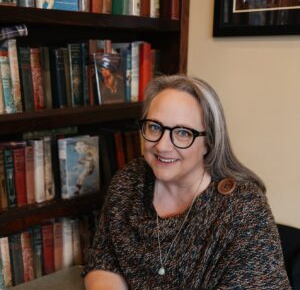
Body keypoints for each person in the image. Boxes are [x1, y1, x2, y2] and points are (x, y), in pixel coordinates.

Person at [83, 75, 291, 289]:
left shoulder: (242, 207)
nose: (162, 146)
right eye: (154, 127)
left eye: (183, 133)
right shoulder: (129, 181)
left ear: (209, 142)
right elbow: (103, 261)